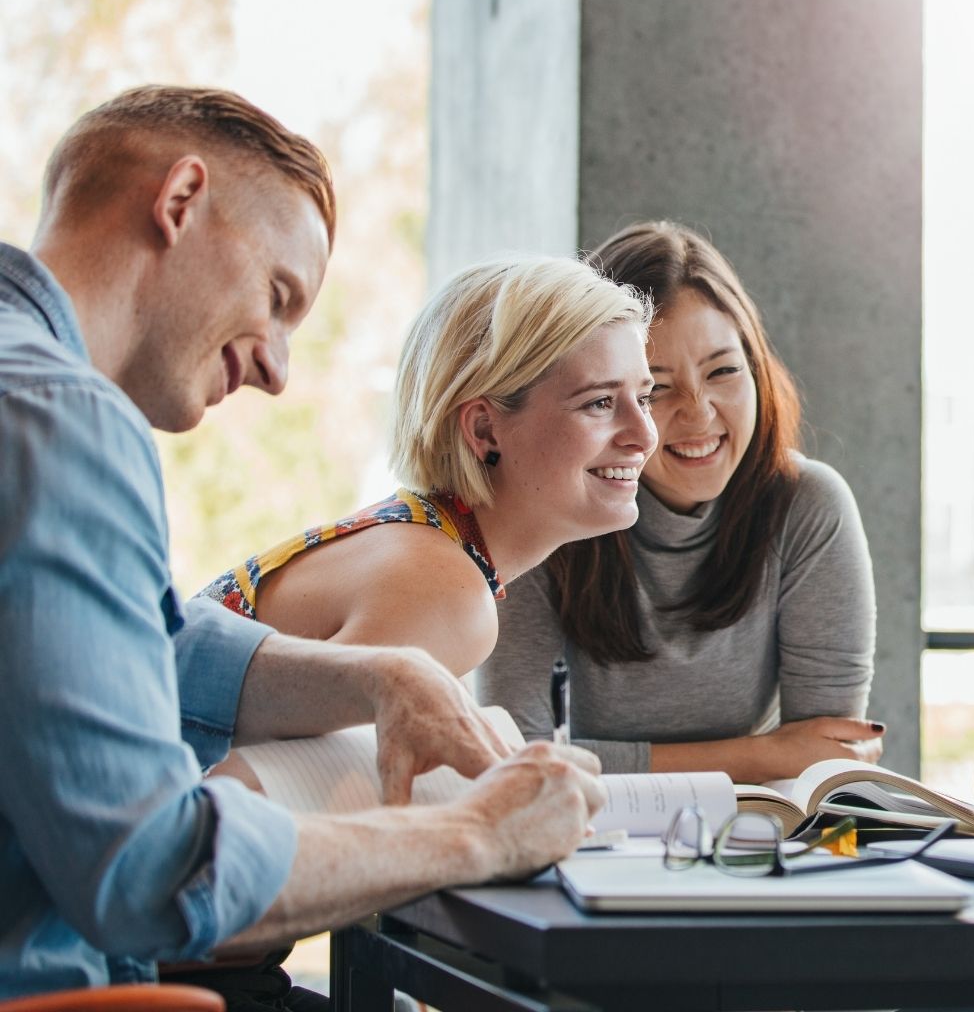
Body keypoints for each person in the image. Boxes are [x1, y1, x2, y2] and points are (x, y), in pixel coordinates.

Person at [0, 86, 607, 1000]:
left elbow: (138, 642)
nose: (278, 371)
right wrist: (479, 832)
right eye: (278, 298)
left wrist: (381, 677)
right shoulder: (63, 420)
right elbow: (149, 873)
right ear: (180, 203)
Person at [477, 220, 880, 783]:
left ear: (758, 370)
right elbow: (517, 759)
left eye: (723, 371)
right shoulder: (542, 508)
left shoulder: (808, 506)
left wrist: (782, 759)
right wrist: (759, 755)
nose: (699, 414)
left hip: (752, 839)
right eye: (656, 388)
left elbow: (823, 759)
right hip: (580, 837)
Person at [196, 255, 660, 679]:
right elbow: (259, 769)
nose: (645, 436)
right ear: (484, 430)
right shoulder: (445, 595)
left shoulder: (425, 542)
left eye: (644, 398)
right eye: (599, 402)